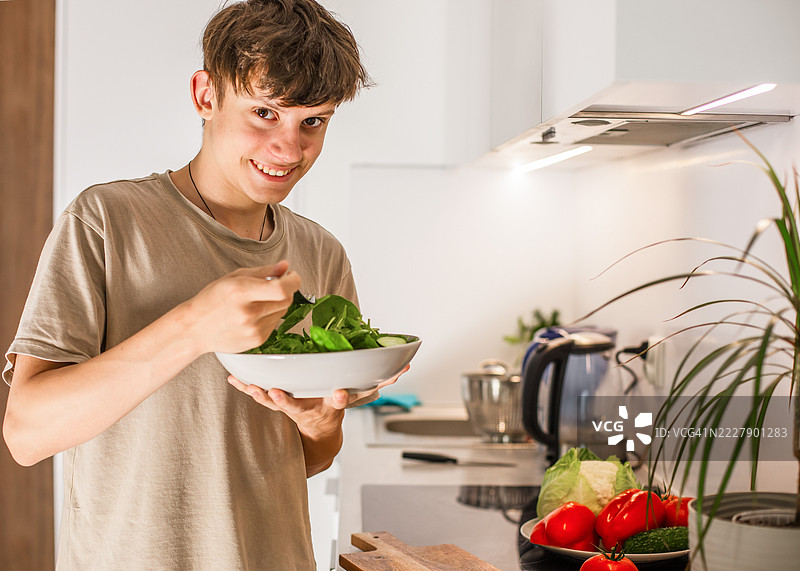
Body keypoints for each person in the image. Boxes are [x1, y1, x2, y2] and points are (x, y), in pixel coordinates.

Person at [2, 1, 404, 568]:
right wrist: (192, 327)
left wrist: (319, 424)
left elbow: (309, 458)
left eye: (312, 121)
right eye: (265, 112)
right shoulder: (106, 221)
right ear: (206, 94)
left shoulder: (321, 253)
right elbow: (26, 433)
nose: (289, 150)